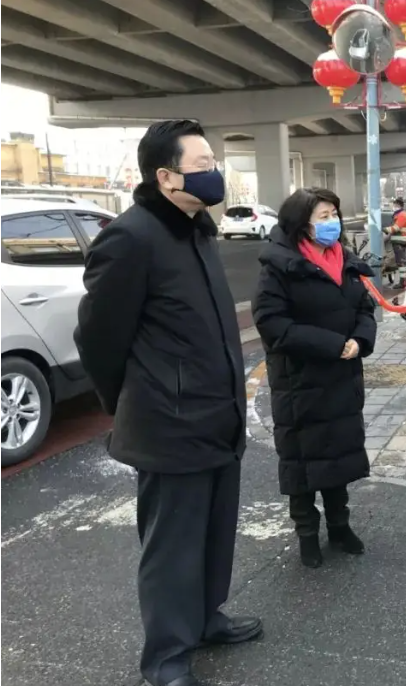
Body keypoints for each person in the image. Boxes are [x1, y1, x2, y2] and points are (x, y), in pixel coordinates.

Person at [74, 120, 261, 686]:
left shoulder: (196, 229)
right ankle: (166, 659)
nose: (215, 171)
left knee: (214, 530)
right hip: (168, 422)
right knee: (172, 546)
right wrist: (129, 400)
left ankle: (207, 618)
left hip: (217, 413)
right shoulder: (131, 237)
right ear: (166, 175)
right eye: (202, 163)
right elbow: (99, 337)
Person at [253, 187, 377, 569]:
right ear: (301, 225)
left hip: (342, 376)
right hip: (300, 381)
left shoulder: (346, 261)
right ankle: (307, 534)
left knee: (338, 456)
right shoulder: (279, 266)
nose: (332, 223)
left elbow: (365, 310)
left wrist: (360, 340)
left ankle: (340, 527)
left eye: (334, 214)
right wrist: (331, 345)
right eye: (323, 217)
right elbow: (272, 324)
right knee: (303, 462)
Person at [386, 196, 406, 283]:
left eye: (394, 205)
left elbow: (396, 228)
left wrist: (385, 229)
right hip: (398, 241)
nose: (393, 207)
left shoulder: (402, 215)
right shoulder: (398, 215)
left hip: (400, 242)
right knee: (400, 262)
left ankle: (403, 282)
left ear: (398, 205)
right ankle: (404, 280)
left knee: (401, 263)